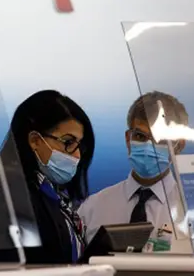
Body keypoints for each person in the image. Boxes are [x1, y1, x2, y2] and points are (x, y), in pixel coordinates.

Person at [0, 90, 95, 264]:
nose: (77, 155)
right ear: (35, 140)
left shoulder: (54, 196)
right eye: (68, 142)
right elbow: (9, 270)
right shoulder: (8, 200)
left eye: (80, 145)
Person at [78, 91, 188, 246]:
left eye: (160, 139)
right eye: (140, 137)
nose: (149, 146)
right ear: (128, 139)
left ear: (179, 145)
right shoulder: (92, 209)